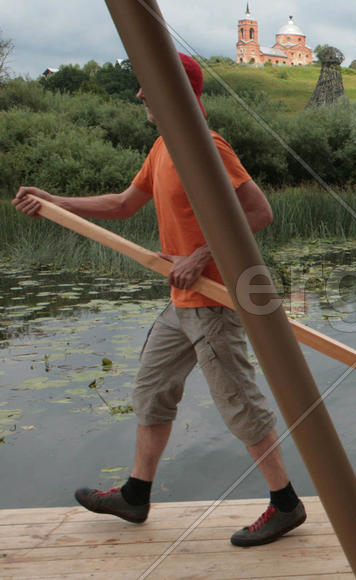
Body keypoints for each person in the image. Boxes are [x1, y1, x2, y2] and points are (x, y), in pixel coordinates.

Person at [12, 53, 306, 548]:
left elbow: (258, 211)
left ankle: (285, 504)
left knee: (239, 405)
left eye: (148, 85)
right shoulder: (162, 148)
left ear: (175, 91)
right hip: (180, 303)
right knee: (151, 391)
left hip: (214, 301)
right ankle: (135, 495)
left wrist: (202, 253)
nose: (140, 94)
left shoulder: (206, 146)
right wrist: (56, 202)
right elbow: (124, 205)